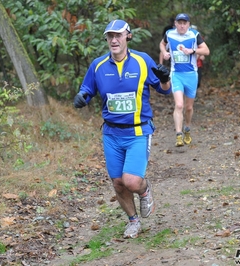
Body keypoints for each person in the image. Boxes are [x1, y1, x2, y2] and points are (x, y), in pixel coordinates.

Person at [73, 20, 171, 238]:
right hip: (111, 133)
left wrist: (165, 79)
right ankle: (133, 221)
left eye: (118, 35)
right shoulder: (98, 66)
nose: (114, 40)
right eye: (110, 36)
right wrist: (81, 98)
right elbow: (86, 89)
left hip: (138, 131)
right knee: (118, 183)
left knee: (131, 181)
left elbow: (165, 90)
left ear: (128, 36)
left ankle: (144, 190)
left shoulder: (142, 60)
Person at [159, 13, 210, 147]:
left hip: (191, 75)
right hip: (176, 74)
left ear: (188, 24)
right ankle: (178, 134)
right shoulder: (169, 34)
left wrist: (192, 51)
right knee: (179, 105)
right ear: (175, 23)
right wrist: (164, 53)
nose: (182, 25)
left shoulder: (194, 35)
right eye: (179, 23)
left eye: (184, 23)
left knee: (188, 107)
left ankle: (187, 128)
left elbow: (206, 51)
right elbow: (162, 44)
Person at [191, 25, 206, 89]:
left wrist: (202, 55)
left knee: (198, 81)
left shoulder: (199, 38)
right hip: (190, 64)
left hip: (198, 64)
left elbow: (203, 49)